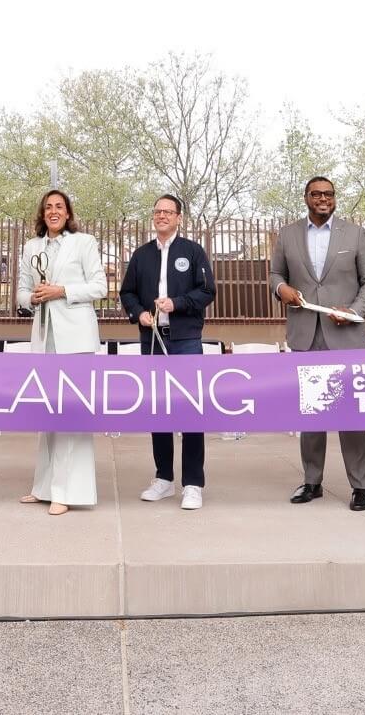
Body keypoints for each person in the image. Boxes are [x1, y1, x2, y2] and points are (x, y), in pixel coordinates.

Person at [270, 176, 365, 510]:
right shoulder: (288, 234)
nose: (323, 198)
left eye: (329, 194)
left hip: (346, 336)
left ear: (334, 198)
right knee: (311, 414)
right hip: (306, 335)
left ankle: (362, 486)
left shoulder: (354, 234)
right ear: (306, 197)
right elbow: (276, 275)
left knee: (352, 416)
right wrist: (281, 289)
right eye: (316, 194)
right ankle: (312, 481)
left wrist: (355, 311)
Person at [121, 193, 215, 510]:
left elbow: (207, 291)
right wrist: (139, 313)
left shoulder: (193, 251)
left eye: (168, 212)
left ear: (178, 218)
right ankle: (163, 478)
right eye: (157, 211)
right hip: (152, 340)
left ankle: (193, 483)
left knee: (190, 408)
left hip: (185, 339)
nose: (161, 216)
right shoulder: (142, 255)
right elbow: (127, 293)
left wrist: (177, 303)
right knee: (158, 409)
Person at [16, 189, 106, 515]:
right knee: (46, 414)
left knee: (70, 415)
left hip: (77, 340)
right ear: (42, 214)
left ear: (68, 213)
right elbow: (21, 291)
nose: (53, 211)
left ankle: (65, 491)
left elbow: (99, 287)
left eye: (59, 206)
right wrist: (33, 298)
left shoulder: (84, 242)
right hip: (44, 340)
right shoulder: (31, 247)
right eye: (48, 207)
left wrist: (61, 291)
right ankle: (43, 487)